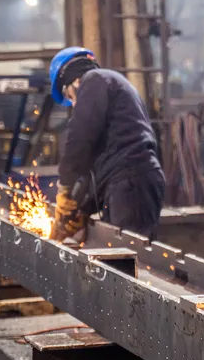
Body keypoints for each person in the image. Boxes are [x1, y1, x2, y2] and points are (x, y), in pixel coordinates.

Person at [49, 47, 165, 241]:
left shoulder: (95, 80)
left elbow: (79, 137)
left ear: (74, 79)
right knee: (121, 258)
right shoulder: (111, 87)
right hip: (131, 184)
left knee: (127, 259)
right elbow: (101, 168)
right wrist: (84, 210)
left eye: (69, 97)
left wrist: (64, 188)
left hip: (132, 185)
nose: (74, 104)